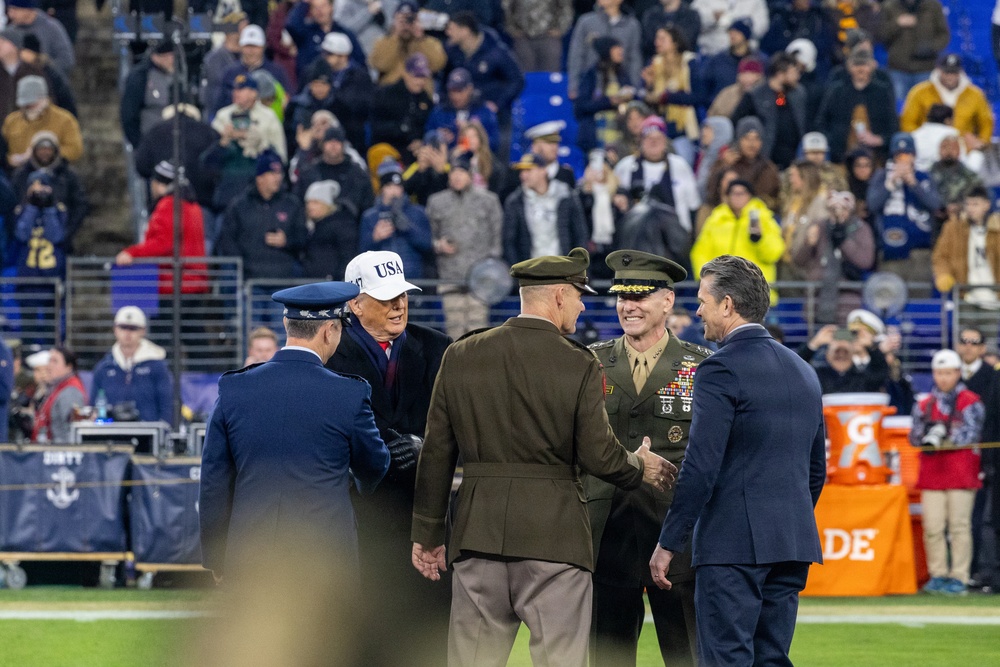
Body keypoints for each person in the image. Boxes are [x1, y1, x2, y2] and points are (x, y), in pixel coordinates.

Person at [411, 247, 676, 667]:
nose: (582, 304)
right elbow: (601, 457)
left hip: (477, 536)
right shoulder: (578, 363)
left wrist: (427, 533)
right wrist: (641, 466)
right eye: (578, 295)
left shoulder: (461, 354)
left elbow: (436, 452)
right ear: (557, 297)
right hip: (557, 542)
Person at [650, 254, 825, 667]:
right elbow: (816, 471)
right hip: (791, 542)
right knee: (772, 658)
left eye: (703, 301)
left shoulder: (719, 369)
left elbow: (700, 467)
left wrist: (669, 541)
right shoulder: (804, 370)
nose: (697, 311)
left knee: (726, 659)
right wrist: (783, 519)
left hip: (733, 546)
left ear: (727, 305)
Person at [199, 281, 391, 584]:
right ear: (330, 330)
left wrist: (216, 557)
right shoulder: (348, 394)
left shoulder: (235, 388)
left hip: (249, 556)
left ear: (287, 323)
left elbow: (214, 479)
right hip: (324, 556)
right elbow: (375, 466)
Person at [326, 250, 452, 666]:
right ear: (354, 303)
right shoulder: (327, 351)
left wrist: (422, 446)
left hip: (424, 516)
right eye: (386, 297)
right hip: (356, 519)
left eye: (402, 294)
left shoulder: (436, 347)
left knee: (428, 637)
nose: (399, 305)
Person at [586, 250, 708, 667]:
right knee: (607, 656)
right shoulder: (590, 361)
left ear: (668, 302)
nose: (628, 305)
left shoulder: (702, 366)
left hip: (675, 538)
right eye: (622, 296)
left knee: (687, 653)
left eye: (639, 296)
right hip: (607, 535)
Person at [911, 349, 985, 596]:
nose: (943, 378)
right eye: (939, 373)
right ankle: (938, 574)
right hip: (933, 473)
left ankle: (960, 576)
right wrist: (929, 436)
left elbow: (971, 433)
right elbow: (914, 437)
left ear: (957, 373)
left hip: (961, 472)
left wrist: (944, 435)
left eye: (948, 373)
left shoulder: (970, 401)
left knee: (959, 527)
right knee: (932, 528)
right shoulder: (924, 403)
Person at [426, 152, 504, 339]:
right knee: (454, 332)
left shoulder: (488, 201)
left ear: (470, 174)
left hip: (481, 278)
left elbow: (497, 236)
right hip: (450, 276)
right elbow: (427, 237)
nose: (457, 176)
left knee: (478, 331)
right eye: (453, 172)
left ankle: (479, 368)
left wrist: (490, 266)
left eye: (462, 172)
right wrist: (438, 245)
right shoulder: (436, 202)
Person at [114, 160, 209, 295]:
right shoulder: (193, 206)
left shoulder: (169, 205)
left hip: (175, 283)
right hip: (195, 282)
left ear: (159, 184)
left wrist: (132, 253)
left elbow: (163, 243)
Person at [216, 150, 308, 285]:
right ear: (259, 177)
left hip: (283, 280)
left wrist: (287, 241)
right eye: (272, 173)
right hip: (250, 280)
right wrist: (244, 264)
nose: (278, 177)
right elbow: (227, 240)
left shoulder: (292, 204)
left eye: (279, 173)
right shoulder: (240, 206)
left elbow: (304, 237)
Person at [692, 179, 785, 304]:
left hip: (754, 292)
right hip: (719, 292)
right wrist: (706, 279)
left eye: (742, 193)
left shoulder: (764, 219)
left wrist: (759, 239)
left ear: (750, 196)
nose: (738, 197)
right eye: (734, 193)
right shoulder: (716, 220)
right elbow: (700, 252)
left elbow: (774, 253)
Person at [791, 190, 876, 324]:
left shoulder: (860, 228)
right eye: (833, 209)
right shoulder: (819, 225)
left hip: (847, 298)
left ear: (850, 210)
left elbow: (866, 261)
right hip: (817, 297)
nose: (838, 213)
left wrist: (843, 241)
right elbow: (799, 260)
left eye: (843, 209)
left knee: (843, 340)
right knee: (818, 340)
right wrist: (808, 243)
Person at [868, 132, 942, 281]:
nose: (903, 159)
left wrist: (914, 184)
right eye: (899, 155)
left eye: (907, 154)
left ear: (914, 156)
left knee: (920, 299)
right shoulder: (882, 176)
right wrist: (890, 184)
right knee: (890, 299)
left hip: (920, 251)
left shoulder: (924, 176)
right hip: (891, 251)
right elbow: (872, 205)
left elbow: (936, 204)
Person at [614, 116, 701, 233]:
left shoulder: (680, 166)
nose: (654, 142)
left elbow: (693, 205)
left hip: (674, 236)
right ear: (641, 141)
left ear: (665, 141)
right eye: (649, 138)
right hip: (636, 235)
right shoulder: (626, 166)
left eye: (658, 138)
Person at [89, 306, 172, 424]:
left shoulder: (157, 365)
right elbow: (94, 406)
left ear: (143, 331)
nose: (127, 333)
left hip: (148, 434)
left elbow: (168, 405)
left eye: (133, 328)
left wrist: (162, 434)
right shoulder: (104, 367)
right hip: (112, 434)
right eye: (123, 327)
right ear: (115, 329)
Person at [503, 152, 588, 266]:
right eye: (522, 171)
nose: (523, 175)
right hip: (531, 270)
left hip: (562, 267)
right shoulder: (515, 201)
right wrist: (518, 270)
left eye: (529, 170)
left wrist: (576, 266)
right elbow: (509, 241)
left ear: (543, 170)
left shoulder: (566, 195)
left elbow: (580, 234)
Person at [816, 46, 898, 164]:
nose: (861, 69)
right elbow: (821, 122)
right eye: (856, 65)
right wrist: (834, 141)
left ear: (872, 66)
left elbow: (893, 126)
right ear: (849, 67)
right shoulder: (836, 91)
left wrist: (879, 140)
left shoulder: (882, 92)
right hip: (840, 158)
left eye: (864, 65)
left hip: (876, 159)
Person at [900, 53, 995, 151]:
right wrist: (919, 142)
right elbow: (908, 122)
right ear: (938, 70)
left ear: (960, 72)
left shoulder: (975, 94)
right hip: (929, 148)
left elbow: (986, 122)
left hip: (965, 150)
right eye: (946, 72)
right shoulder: (920, 92)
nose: (950, 77)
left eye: (954, 73)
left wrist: (981, 142)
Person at [731, 52, 806, 170]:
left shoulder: (797, 93)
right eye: (793, 72)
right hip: (765, 161)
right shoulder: (755, 96)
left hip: (793, 160)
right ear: (780, 74)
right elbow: (736, 122)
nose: (797, 76)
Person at [359, 161, 433, 279]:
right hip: (381, 278)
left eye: (398, 186)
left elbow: (427, 245)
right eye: (389, 186)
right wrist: (375, 238)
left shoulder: (417, 212)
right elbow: (361, 251)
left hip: (412, 277)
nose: (394, 191)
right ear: (382, 189)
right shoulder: (370, 216)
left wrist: (408, 229)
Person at [932, 185, 1000, 307]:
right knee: (965, 326)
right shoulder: (953, 228)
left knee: (989, 326)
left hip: (993, 296)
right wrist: (943, 274)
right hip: (965, 294)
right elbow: (940, 256)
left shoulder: (997, 230)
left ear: (987, 205)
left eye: (975, 204)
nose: (970, 209)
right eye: (967, 204)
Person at [566, 0, 642, 99]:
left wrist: (634, 88)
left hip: (621, 88)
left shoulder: (632, 25)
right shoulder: (586, 22)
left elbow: (634, 59)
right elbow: (576, 56)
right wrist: (574, 86)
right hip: (591, 88)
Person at [877, 0, 951, 103]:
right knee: (898, 106)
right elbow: (881, 35)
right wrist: (897, 23)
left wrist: (930, 48)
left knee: (926, 106)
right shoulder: (889, 6)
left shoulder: (933, 6)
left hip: (926, 67)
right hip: (898, 68)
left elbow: (944, 35)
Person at [574, 36, 637, 154]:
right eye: (616, 48)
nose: (620, 51)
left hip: (620, 135)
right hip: (596, 136)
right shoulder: (591, 75)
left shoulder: (622, 74)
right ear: (606, 50)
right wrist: (610, 101)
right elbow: (581, 106)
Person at [2, 75, 81, 168]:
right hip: (17, 173)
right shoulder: (11, 121)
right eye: (25, 105)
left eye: (32, 104)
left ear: (45, 99)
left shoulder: (65, 120)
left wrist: (41, 155)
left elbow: (75, 150)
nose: (29, 108)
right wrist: (10, 159)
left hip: (54, 173)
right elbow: (3, 150)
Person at [368, 53, 434, 163]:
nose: (420, 81)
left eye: (423, 77)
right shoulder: (386, 94)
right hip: (387, 149)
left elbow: (427, 126)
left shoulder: (425, 99)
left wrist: (420, 141)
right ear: (405, 74)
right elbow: (376, 127)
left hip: (413, 153)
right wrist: (401, 128)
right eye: (417, 76)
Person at [369, 2, 447, 91]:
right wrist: (395, 36)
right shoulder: (383, 42)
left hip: (420, 94)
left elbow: (438, 64)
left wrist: (420, 37)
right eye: (401, 20)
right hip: (392, 95)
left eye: (410, 19)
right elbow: (380, 65)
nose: (406, 24)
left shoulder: (428, 42)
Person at [706, 116, 780, 210]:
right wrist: (723, 166)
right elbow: (711, 193)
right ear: (739, 140)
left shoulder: (767, 168)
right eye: (747, 138)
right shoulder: (727, 163)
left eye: (756, 138)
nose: (752, 144)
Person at [424, 67, 501, 155]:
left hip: (476, 162)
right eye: (452, 91)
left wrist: (474, 136)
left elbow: (495, 143)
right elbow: (427, 137)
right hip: (446, 162)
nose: (455, 96)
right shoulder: (439, 112)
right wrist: (437, 136)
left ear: (469, 89)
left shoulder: (484, 112)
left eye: (460, 91)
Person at [3, 0, 74, 73]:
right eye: (9, 9)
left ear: (28, 9)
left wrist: (38, 61)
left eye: (15, 9)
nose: (10, 14)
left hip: (48, 81)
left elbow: (66, 61)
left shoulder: (52, 28)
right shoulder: (8, 33)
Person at [32, 345, 84, 443]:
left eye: (55, 361)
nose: (49, 366)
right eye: (49, 360)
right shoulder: (58, 387)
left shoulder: (71, 391)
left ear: (69, 367)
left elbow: (70, 431)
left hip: (59, 453)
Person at [504, 0, 574, 73]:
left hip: (549, 37)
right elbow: (506, 7)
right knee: (524, 75)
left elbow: (566, 7)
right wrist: (512, 29)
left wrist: (560, 29)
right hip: (522, 37)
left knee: (550, 75)